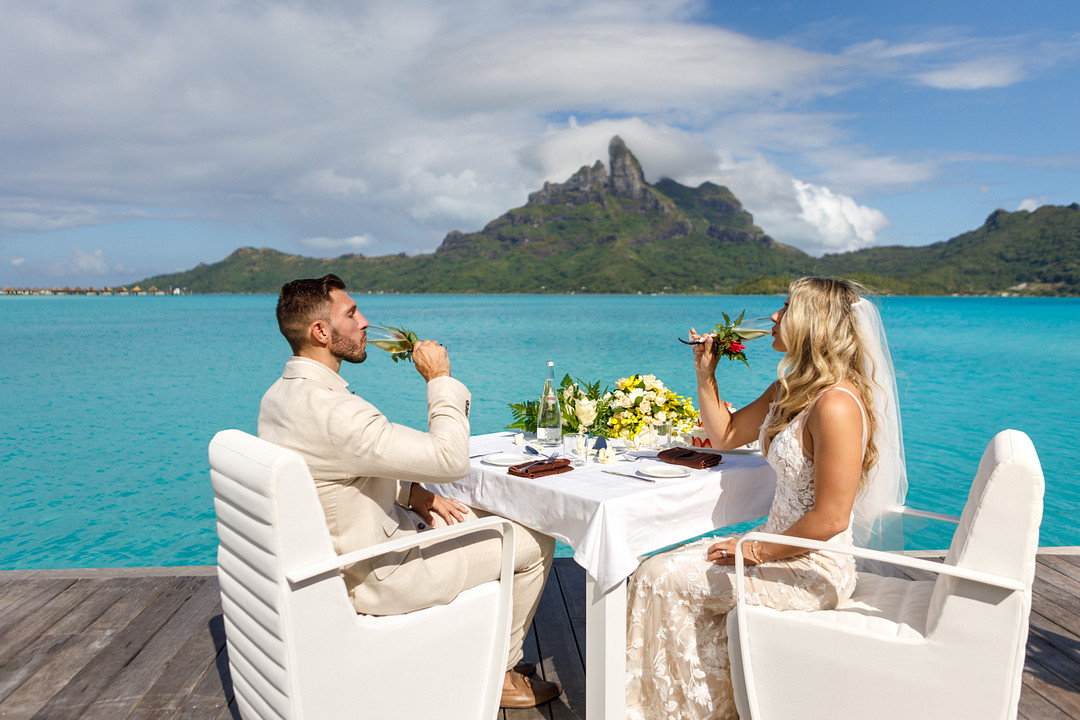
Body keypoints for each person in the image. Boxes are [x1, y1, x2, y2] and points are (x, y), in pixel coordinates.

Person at [258, 273, 561, 709]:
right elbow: (449, 459)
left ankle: (486, 644)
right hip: (381, 573)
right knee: (536, 541)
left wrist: (415, 494)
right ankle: (502, 673)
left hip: (342, 557)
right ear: (321, 332)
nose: (364, 322)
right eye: (351, 313)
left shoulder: (279, 397)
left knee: (475, 515)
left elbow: (338, 465)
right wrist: (439, 380)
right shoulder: (337, 411)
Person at [625, 276, 907, 720]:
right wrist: (705, 373)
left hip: (812, 565)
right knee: (651, 570)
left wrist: (751, 548)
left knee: (661, 577)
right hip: (772, 546)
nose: (774, 317)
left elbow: (832, 518)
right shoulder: (788, 391)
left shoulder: (835, 405)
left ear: (813, 324)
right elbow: (726, 434)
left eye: (785, 308)